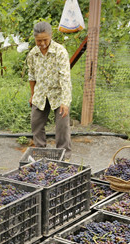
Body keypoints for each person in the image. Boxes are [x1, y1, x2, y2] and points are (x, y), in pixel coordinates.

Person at [27, 21, 72, 159]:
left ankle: (64, 156)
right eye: (38, 40)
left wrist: (65, 101)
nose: (42, 43)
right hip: (41, 93)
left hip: (58, 93)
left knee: (62, 126)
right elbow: (32, 75)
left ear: (51, 36)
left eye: (45, 39)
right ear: (35, 38)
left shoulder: (60, 52)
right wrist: (33, 95)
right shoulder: (33, 54)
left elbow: (65, 77)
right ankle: (40, 152)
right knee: (35, 123)